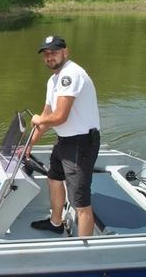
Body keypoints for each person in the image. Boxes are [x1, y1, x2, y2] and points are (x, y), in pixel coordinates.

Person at [26, 36, 101, 237]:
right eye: (46, 54)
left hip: (81, 144)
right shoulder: (54, 80)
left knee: (80, 202)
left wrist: (39, 120)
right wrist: (28, 147)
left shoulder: (71, 74)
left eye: (54, 52)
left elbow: (58, 117)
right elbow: (46, 116)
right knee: (54, 178)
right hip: (64, 141)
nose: (50, 57)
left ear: (65, 52)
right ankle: (56, 223)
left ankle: (85, 250)